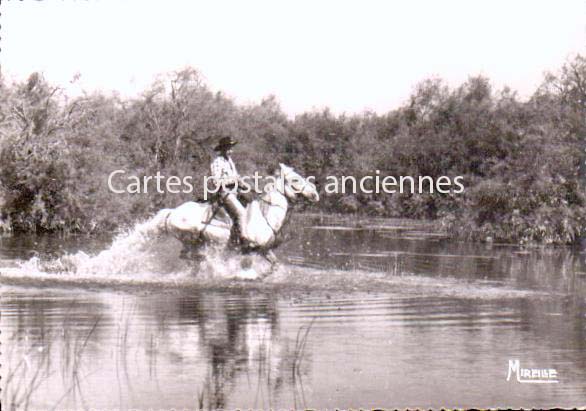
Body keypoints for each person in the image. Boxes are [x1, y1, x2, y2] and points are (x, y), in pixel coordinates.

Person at [209, 136, 250, 244]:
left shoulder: (229, 161)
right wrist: (233, 180)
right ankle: (243, 239)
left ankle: (238, 233)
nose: (231, 151)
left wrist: (244, 184)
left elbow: (236, 177)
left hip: (235, 191)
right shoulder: (217, 162)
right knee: (241, 212)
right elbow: (216, 182)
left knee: (251, 204)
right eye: (228, 148)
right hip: (225, 193)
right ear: (222, 149)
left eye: (231, 148)